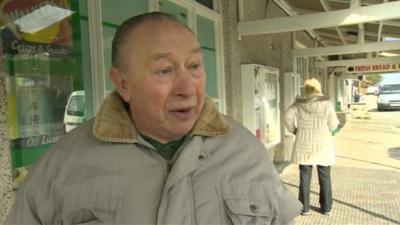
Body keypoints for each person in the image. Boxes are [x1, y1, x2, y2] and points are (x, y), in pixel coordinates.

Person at [5, 12, 301, 225]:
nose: (188, 88)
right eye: (164, 70)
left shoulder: (244, 150)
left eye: (195, 65)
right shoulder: (64, 165)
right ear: (123, 84)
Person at [285, 78, 339, 216]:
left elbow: (287, 116)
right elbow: (333, 124)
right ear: (318, 88)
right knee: (325, 176)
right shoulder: (326, 103)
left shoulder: (299, 103)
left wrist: (294, 130)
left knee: (304, 176)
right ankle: (326, 208)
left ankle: (304, 208)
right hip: (322, 143)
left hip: (304, 143)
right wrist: (328, 129)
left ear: (306, 89)